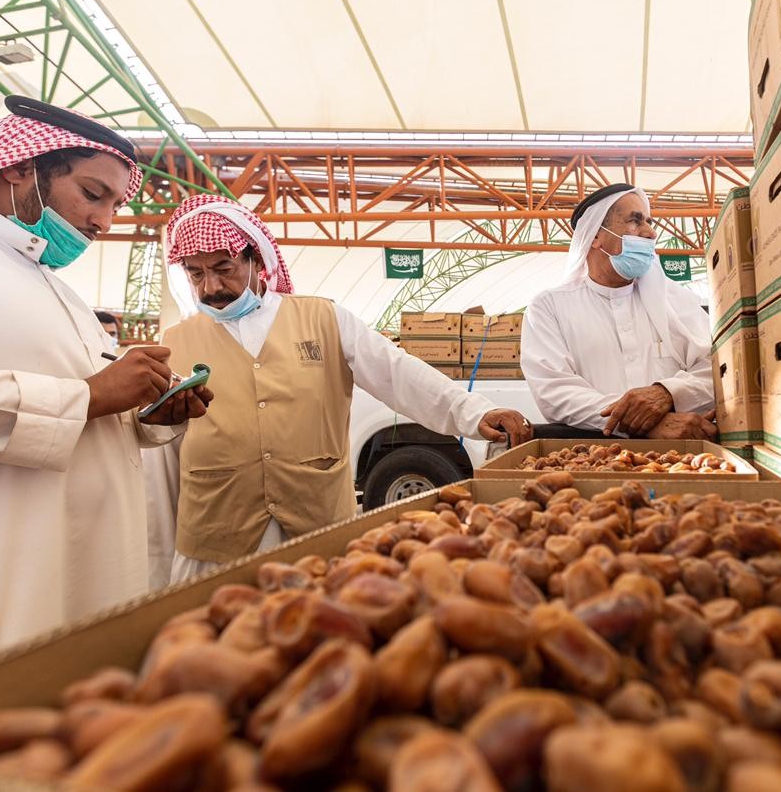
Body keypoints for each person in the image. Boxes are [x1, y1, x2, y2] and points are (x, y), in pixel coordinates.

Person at [0, 95, 212, 696]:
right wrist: (86, 397)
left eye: (114, 204)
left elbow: (91, 405)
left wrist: (149, 412)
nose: (104, 221)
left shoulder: (49, 284)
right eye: (93, 194)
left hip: (87, 577)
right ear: (18, 166)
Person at [150, 195, 533, 582]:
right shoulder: (175, 341)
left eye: (224, 268)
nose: (211, 286)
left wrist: (474, 412)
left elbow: (396, 372)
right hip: (215, 539)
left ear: (257, 261)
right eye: (196, 274)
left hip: (314, 527)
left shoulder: (323, 317)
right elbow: (161, 454)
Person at [521, 183, 716, 439]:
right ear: (594, 236)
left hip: (686, 453)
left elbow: (717, 367)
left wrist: (668, 392)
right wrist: (646, 424)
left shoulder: (676, 300)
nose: (651, 233)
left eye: (649, 222)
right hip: (594, 453)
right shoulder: (549, 307)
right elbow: (555, 392)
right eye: (635, 221)